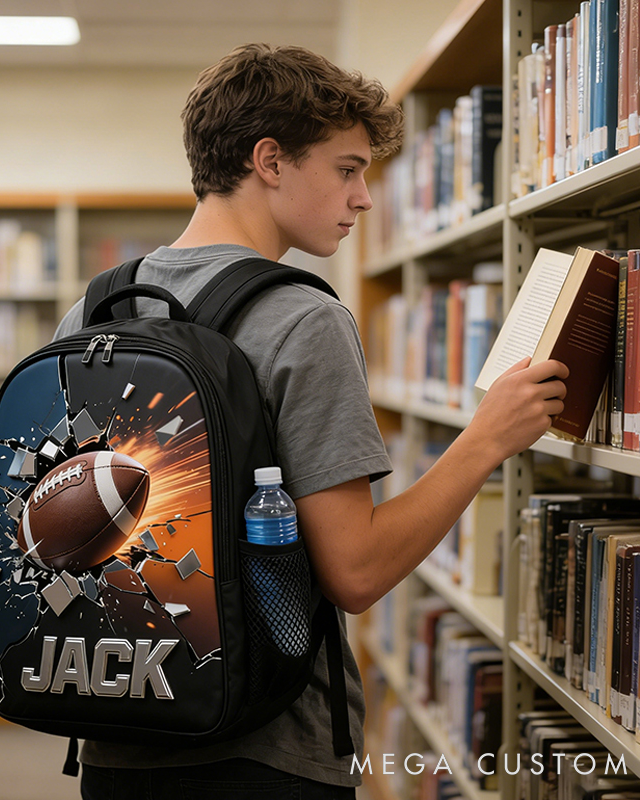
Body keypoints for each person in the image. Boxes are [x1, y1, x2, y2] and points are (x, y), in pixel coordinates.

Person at [54, 42, 568, 800]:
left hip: (116, 728)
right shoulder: (302, 318)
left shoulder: (94, 309)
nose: (362, 198)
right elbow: (355, 572)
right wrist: (486, 439)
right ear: (270, 160)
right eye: (348, 169)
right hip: (267, 749)